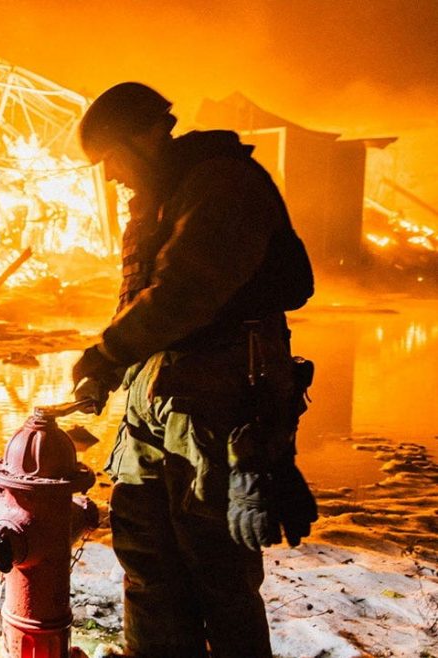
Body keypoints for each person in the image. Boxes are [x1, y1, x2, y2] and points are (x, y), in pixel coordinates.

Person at [70, 82, 318, 658]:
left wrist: (109, 352)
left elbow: (185, 293)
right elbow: (142, 299)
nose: (111, 176)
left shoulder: (223, 185)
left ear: (146, 136)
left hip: (215, 406)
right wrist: (110, 368)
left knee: (218, 569)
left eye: (113, 158)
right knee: (146, 558)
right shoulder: (160, 198)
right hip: (155, 404)